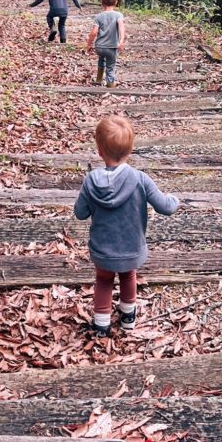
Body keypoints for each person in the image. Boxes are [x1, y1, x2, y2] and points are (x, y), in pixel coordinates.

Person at [73, 115, 180, 336]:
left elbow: (80, 213)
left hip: (102, 250)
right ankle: (128, 318)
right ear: (130, 150)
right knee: (128, 275)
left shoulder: (90, 181)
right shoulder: (140, 179)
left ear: (100, 150)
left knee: (103, 280)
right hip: (131, 248)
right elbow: (165, 207)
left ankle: (101, 325)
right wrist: (176, 199)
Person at [86, 0, 124, 87]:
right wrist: (121, 40)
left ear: (101, 2)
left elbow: (93, 33)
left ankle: (99, 79)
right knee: (110, 65)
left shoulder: (98, 16)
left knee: (101, 59)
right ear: (116, 2)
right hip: (111, 47)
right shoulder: (118, 15)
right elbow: (121, 28)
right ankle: (110, 83)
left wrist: (89, 45)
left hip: (99, 47)